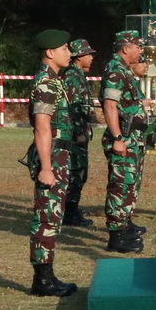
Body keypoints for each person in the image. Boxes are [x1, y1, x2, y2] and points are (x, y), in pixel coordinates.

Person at [24, 30, 79, 297]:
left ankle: (47, 277)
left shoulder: (54, 82)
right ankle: (42, 281)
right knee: (46, 218)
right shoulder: (45, 83)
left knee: (52, 216)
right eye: (65, 48)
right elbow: (42, 128)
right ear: (50, 53)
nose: (70, 53)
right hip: (52, 158)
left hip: (58, 157)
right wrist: (46, 168)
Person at [101, 30, 148, 253]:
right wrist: (118, 137)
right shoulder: (115, 71)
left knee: (130, 184)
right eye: (138, 47)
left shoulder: (124, 71)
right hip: (124, 138)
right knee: (120, 185)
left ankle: (125, 224)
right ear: (126, 48)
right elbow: (110, 105)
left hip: (133, 138)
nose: (140, 52)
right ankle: (116, 236)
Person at [61, 38, 97, 227]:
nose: (91, 58)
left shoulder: (78, 75)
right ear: (78, 57)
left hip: (80, 132)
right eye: (88, 55)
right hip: (75, 136)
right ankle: (69, 213)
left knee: (80, 172)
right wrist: (78, 132)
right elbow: (73, 107)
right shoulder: (73, 76)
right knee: (76, 172)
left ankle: (72, 210)